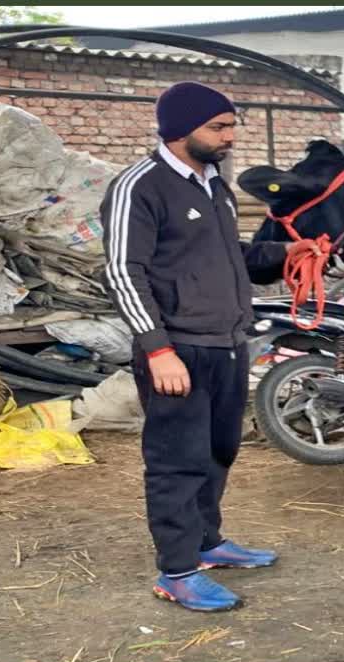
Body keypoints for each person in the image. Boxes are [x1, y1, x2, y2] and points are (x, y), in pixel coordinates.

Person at [99, 81, 292, 612]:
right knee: (176, 460)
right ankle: (178, 570)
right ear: (182, 129)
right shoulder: (140, 186)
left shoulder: (215, 187)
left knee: (218, 451)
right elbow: (122, 269)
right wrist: (158, 349)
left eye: (232, 125)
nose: (231, 136)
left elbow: (236, 259)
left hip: (228, 343)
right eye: (219, 127)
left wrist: (290, 252)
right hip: (177, 350)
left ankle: (207, 543)